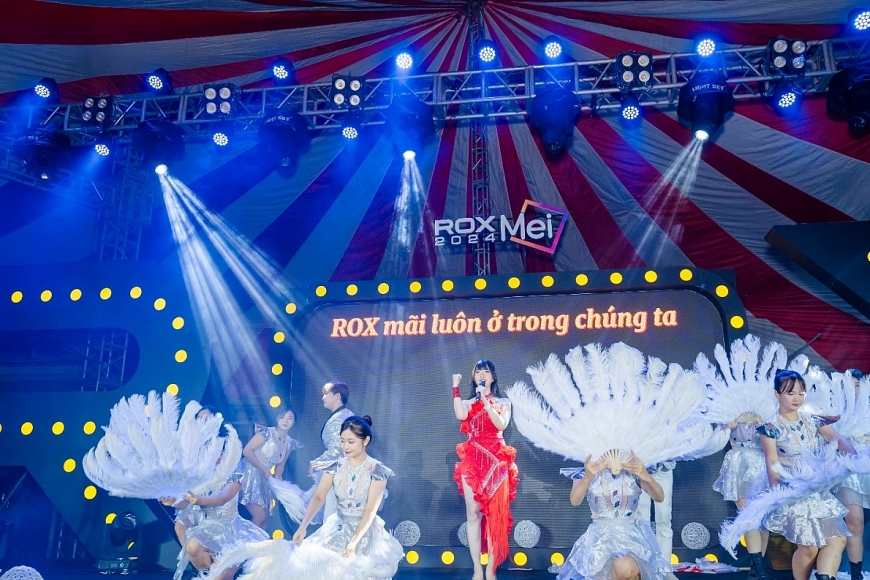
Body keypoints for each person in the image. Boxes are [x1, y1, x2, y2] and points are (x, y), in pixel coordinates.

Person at [205, 415, 404, 580]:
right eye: (342, 441)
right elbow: (318, 496)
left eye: (350, 441)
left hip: (365, 531)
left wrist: (354, 542)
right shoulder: (334, 466)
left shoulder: (377, 470)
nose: (345, 446)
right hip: (337, 527)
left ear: (365, 441)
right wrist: (303, 527)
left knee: (363, 571)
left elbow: (370, 510)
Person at [757, 369, 854, 580]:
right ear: (777, 394)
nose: (797, 398)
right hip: (791, 490)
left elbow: (839, 440)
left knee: (837, 539)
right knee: (809, 547)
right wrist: (778, 497)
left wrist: (856, 460)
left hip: (816, 488)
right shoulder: (770, 427)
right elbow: (772, 463)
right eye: (790, 393)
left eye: (801, 393)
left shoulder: (814, 420)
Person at [452, 360, 519, 580]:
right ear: (474, 377)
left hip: (496, 462)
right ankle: (477, 570)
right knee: (473, 514)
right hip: (473, 461)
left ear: (493, 377)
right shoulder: (468, 403)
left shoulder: (503, 402)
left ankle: (491, 571)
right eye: (478, 371)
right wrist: (455, 388)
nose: (482, 374)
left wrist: (486, 402)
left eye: (486, 371)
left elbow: (501, 425)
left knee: (494, 517)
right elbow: (460, 415)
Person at [558, 452, 672, 580]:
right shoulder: (587, 472)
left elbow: (659, 497)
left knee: (623, 567)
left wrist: (646, 476)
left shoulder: (633, 471)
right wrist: (588, 477)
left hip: (631, 538)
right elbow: (575, 500)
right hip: (599, 540)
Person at [162, 463, 269, 580]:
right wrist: (174, 501)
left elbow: (223, 498)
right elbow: (185, 502)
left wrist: (199, 500)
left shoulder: (234, 475)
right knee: (193, 547)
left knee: (221, 576)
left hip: (232, 530)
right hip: (209, 527)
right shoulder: (200, 477)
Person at [713, 419, 770, 579]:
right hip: (738, 462)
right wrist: (726, 427)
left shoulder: (768, 411)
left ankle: (757, 567)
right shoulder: (729, 411)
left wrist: (765, 426)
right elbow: (714, 440)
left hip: (763, 462)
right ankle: (760, 568)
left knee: (762, 519)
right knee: (748, 515)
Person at [238, 406, 301, 528]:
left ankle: (260, 541)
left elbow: (281, 465)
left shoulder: (289, 442)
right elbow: (247, 451)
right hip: (249, 473)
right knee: (259, 516)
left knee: (265, 520)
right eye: (282, 417)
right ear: (277, 418)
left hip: (265, 478)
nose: (285, 421)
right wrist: (263, 469)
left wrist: (278, 476)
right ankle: (250, 541)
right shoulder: (266, 433)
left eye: (290, 418)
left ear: (294, 422)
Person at [834, 369, 868, 580]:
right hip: (847, 471)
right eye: (849, 384)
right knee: (855, 522)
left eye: (857, 384)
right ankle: (856, 575)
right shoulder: (834, 410)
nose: (853, 389)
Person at [310, 380, 355, 520]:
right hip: (347, 473)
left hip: (340, 474)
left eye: (326, 393)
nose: (323, 397)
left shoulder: (339, 419)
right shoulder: (346, 415)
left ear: (337, 396)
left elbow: (337, 450)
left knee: (332, 518)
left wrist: (316, 463)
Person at [635, 462, 674, 569]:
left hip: (663, 469)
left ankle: (665, 569)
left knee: (664, 518)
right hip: (641, 471)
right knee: (642, 520)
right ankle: (645, 567)